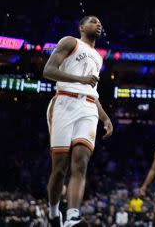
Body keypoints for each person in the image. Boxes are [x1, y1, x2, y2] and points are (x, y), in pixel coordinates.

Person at [43, 16, 114, 227]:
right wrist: (80, 80)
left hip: (89, 107)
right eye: (93, 21)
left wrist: (105, 117)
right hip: (64, 102)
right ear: (81, 27)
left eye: (100, 22)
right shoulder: (70, 42)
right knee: (59, 169)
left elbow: (91, 90)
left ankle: (72, 215)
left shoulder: (99, 57)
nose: (98, 24)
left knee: (81, 161)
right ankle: (54, 212)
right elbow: (48, 71)